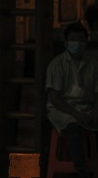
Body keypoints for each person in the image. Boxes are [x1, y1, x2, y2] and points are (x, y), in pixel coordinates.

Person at [46, 22, 98, 178]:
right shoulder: (57, 64)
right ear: (66, 43)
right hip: (62, 109)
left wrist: (95, 111)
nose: (77, 43)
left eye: (80, 39)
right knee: (73, 126)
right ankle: (82, 171)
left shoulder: (93, 65)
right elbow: (54, 98)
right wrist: (76, 114)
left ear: (86, 42)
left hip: (86, 108)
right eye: (73, 39)